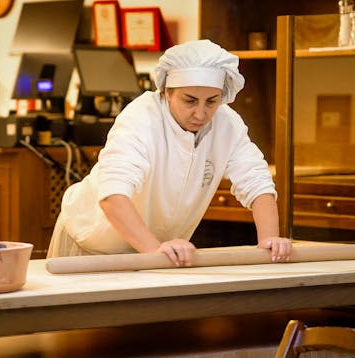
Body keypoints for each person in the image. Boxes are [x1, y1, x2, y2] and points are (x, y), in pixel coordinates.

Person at [48, 39, 291, 266]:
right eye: (190, 100)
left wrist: (269, 242)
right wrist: (155, 250)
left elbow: (258, 184)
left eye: (211, 101)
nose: (201, 113)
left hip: (159, 252)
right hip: (91, 247)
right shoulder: (141, 119)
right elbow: (112, 196)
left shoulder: (227, 123)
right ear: (167, 92)